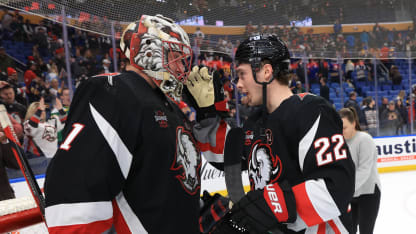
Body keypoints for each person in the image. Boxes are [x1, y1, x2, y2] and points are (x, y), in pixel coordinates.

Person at [44, 14, 228, 233]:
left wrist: (208, 116)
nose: (182, 68)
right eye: (175, 56)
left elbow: (169, 181)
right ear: (148, 52)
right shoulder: (113, 91)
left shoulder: (169, 106)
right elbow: (77, 187)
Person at [211, 35, 355, 233]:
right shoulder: (255, 123)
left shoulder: (310, 111)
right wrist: (207, 117)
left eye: (242, 74)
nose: (238, 84)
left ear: (266, 72)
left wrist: (265, 208)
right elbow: (226, 158)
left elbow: (337, 187)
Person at [339, 107, 381, 234]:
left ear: (353, 123)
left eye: (344, 127)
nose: (341, 131)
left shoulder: (364, 139)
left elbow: (364, 170)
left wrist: (346, 190)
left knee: (365, 231)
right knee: (348, 230)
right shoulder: (340, 142)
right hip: (352, 194)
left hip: (368, 192)